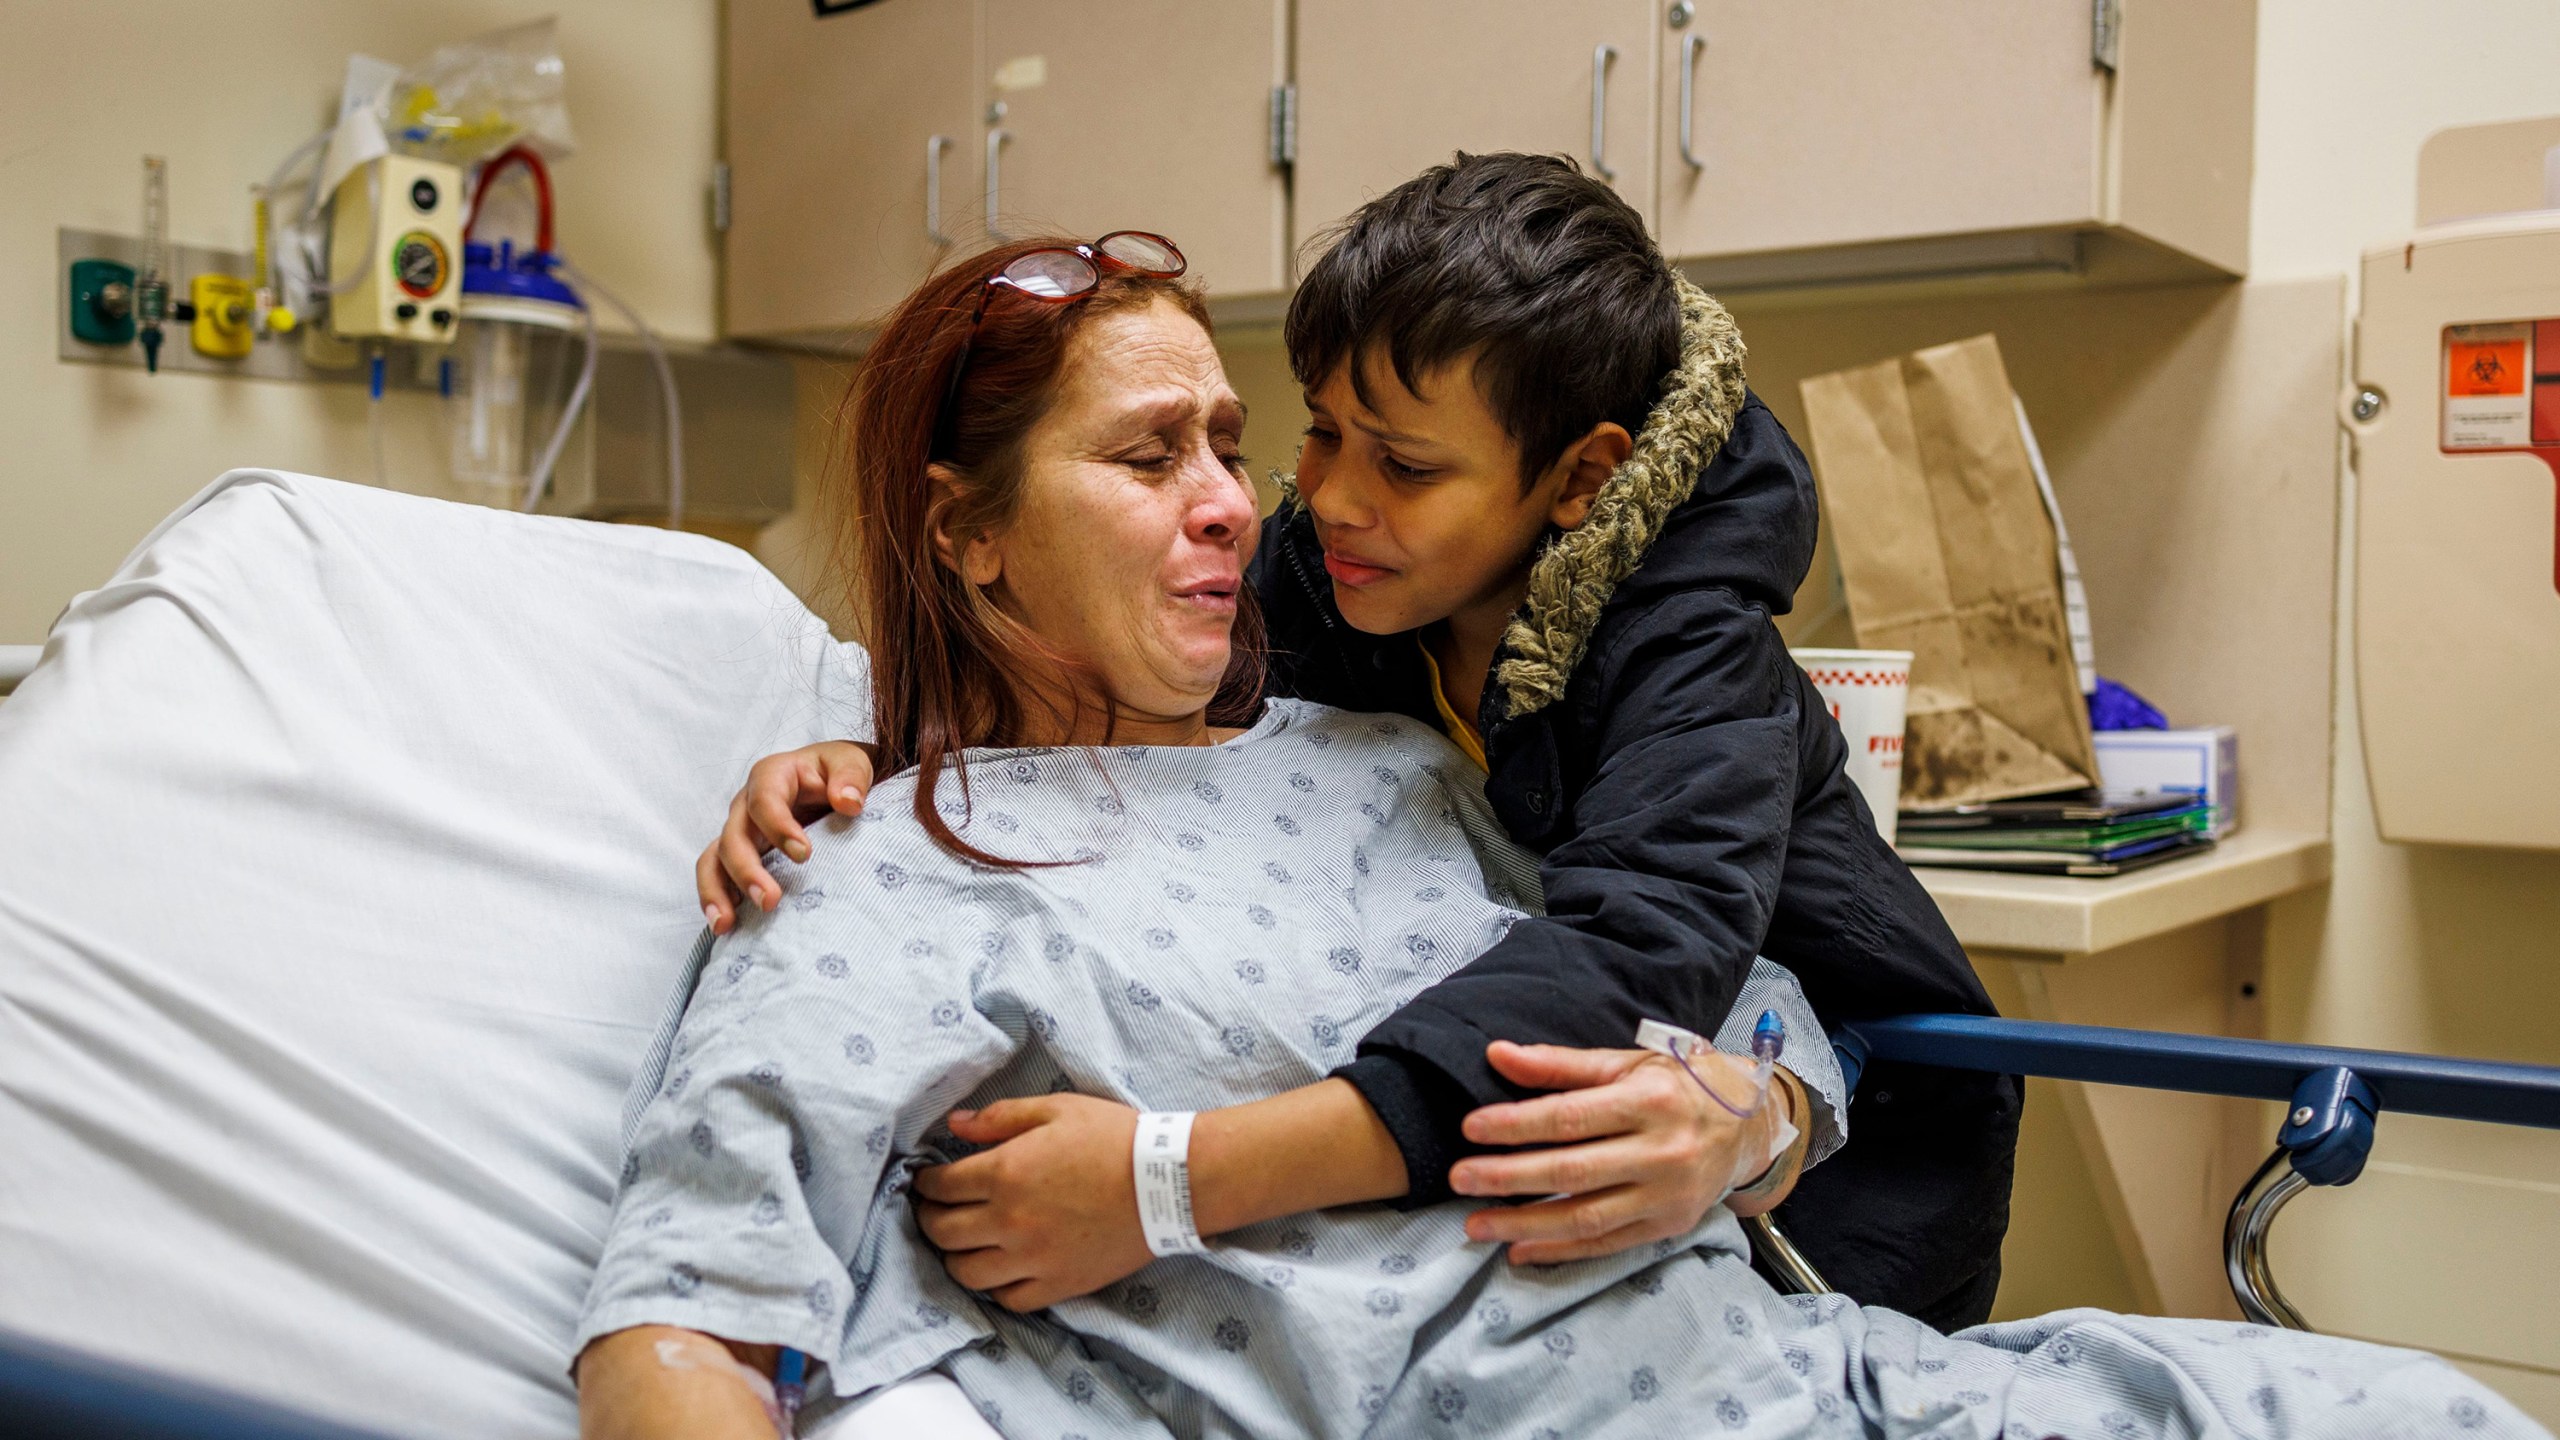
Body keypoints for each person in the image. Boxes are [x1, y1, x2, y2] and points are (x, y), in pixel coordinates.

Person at [574, 233, 2535, 1440]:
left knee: (2430, 1411)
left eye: (1232, 446)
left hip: (1856, 1382)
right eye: (1143, 455)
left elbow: (1730, 991)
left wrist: (1752, 1113)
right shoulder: (881, 864)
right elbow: (677, 1325)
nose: (1236, 507)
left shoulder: (1391, 742)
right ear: (965, 531)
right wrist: (845, 752)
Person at [697, 154, 2017, 1323]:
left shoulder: (1691, 654)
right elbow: (1109, 672)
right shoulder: (1344, 569)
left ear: (1579, 481)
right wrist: (880, 754)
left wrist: (1169, 1178)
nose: (1322, 495)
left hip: (1858, 1118)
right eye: (1320, 431)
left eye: (1406, 463)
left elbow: (1630, 960)